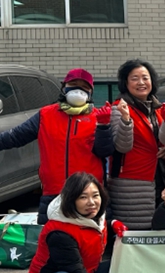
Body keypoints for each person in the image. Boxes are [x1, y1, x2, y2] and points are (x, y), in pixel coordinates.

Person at [0, 69, 113, 224]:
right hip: (53, 194)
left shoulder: (98, 117)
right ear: (63, 87)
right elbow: (15, 136)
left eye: (84, 87)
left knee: (89, 238)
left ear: (91, 92)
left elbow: (105, 151)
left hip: (87, 197)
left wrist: (104, 127)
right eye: (73, 84)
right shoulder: (45, 115)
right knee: (51, 237)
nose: (78, 90)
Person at [110, 59, 165, 230]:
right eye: (134, 78)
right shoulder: (119, 109)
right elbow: (122, 146)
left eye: (145, 78)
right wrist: (126, 121)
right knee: (135, 231)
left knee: (159, 229)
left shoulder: (159, 108)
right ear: (125, 83)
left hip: (160, 177)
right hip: (131, 182)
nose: (141, 82)